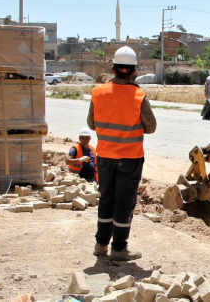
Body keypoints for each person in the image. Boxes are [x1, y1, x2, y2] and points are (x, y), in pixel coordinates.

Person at [87, 46, 157, 261]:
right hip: (130, 158)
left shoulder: (98, 93)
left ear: (113, 69)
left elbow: (91, 123)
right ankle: (119, 248)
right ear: (134, 70)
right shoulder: (138, 95)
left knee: (106, 198)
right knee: (124, 203)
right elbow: (151, 126)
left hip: (106, 156)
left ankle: (101, 244)